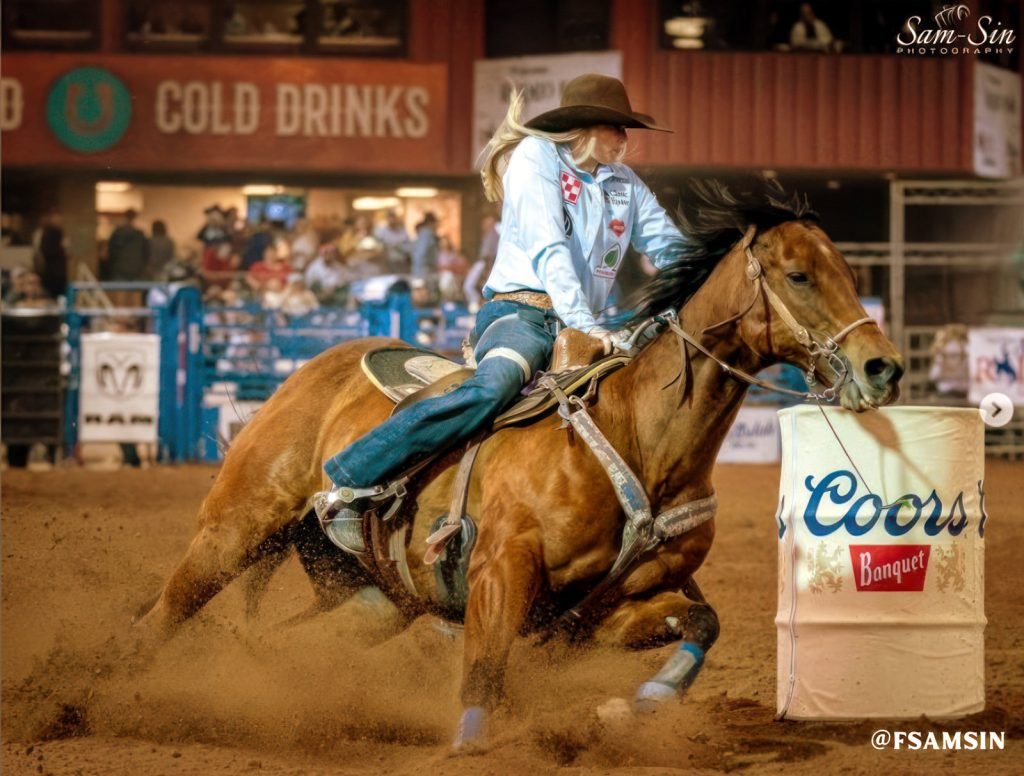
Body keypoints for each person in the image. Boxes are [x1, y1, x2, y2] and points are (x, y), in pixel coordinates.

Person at [313, 73, 693, 551]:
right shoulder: (536, 158)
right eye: (616, 127)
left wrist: (713, 270)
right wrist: (584, 324)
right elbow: (549, 247)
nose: (624, 138)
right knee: (493, 386)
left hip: (585, 326)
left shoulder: (625, 184)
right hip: (521, 314)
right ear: (586, 126)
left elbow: (669, 246)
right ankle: (351, 481)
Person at [104, 209, 149, 281]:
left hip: (120, 268)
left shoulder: (118, 233)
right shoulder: (139, 234)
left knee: (120, 286)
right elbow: (145, 252)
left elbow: (111, 251)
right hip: (135, 268)